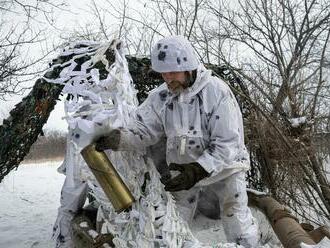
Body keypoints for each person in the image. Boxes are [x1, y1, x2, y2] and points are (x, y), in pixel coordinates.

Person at [95, 35, 259, 247]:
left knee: (235, 215)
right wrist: (118, 139)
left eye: (173, 72)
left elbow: (227, 143)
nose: (167, 78)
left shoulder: (217, 92)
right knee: (173, 222)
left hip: (226, 168)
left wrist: (199, 169)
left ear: (189, 67)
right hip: (181, 173)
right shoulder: (160, 97)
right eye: (163, 73)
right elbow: (144, 129)